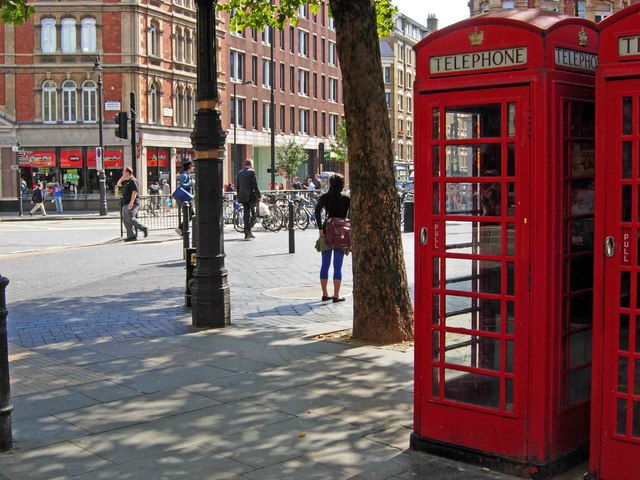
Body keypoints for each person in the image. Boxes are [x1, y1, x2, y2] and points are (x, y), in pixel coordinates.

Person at [315, 173, 350, 303]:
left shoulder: (325, 197)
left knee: (325, 264)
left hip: (326, 231)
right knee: (338, 265)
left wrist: (320, 229)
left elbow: (317, 211)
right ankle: (336, 294)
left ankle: (325, 293)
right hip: (341, 233)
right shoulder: (346, 200)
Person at [116, 167, 148, 242]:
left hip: (132, 203)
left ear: (127, 172)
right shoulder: (126, 180)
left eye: (124, 172)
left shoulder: (133, 180)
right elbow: (118, 184)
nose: (122, 173)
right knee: (125, 220)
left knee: (130, 218)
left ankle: (144, 228)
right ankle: (131, 235)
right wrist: (123, 177)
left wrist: (132, 202)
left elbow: (134, 192)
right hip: (125, 203)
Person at [236, 159, 261, 240]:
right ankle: (248, 229)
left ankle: (247, 233)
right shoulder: (252, 172)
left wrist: (238, 195)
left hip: (242, 196)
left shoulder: (240, 172)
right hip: (250, 196)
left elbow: (238, 186)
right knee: (254, 213)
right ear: (251, 164)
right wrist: (259, 195)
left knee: (246, 214)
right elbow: (255, 185)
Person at [177, 161, 195, 235]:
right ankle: (181, 229)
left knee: (191, 215)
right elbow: (181, 185)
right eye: (192, 166)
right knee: (190, 215)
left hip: (188, 197)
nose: (193, 168)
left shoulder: (188, 175)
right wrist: (190, 183)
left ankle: (182, 230)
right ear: (189, 167)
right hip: (186, 198)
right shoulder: (184, 175)